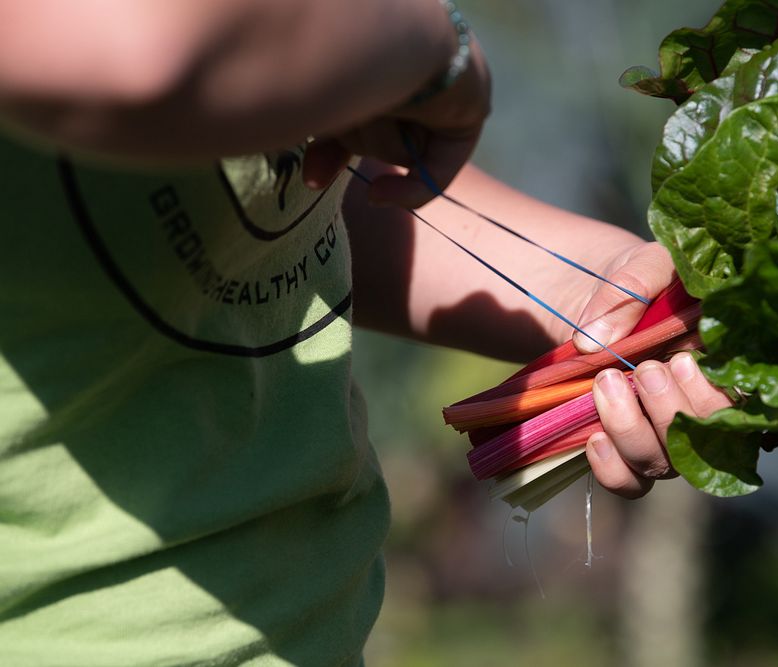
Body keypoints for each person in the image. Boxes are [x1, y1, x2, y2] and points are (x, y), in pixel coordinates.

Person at [0, 0, 728, 663]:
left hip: (314, 624)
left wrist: (590, 286)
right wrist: (431, 42)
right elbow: (140, 55)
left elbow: (273, 182)